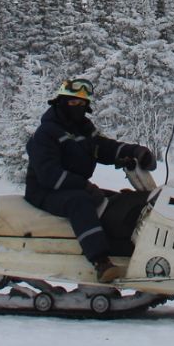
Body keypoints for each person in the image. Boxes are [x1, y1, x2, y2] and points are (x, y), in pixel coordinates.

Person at [24, 78, 157, 283]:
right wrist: (84, 185)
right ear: (60, 102)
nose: (78, 107)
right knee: (81, 202)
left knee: (119, 201)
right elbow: (48, 174)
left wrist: (135, 151)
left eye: (82, 103)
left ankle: (131, 247)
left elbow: (103, 147)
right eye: (73, 102)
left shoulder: (82, 128)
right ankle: (101, 262)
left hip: (71, 185)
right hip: (44, 190)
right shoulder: (46, 133)